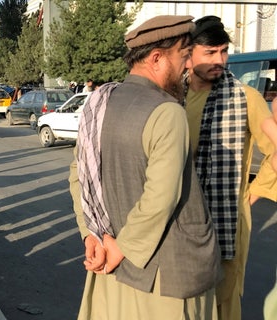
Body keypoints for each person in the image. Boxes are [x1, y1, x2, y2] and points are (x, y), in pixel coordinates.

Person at [69, 15, 221, 319]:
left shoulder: (99, 103)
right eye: (184, 56)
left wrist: (92, 236)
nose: (188, 66)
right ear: (156, 58)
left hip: (111, 266)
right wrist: (118, 249)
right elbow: (160, 198)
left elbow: (78, 175)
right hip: (166, 279)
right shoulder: (168, 112)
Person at [184, 15, 277, 320]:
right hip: (180, 218)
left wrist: (254, 192)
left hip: (226, 221)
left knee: (222, 301)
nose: (220, 60)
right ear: (188, 55)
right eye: (210, 53)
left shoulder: (245, 98)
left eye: (223, 52)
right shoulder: (173, 97)